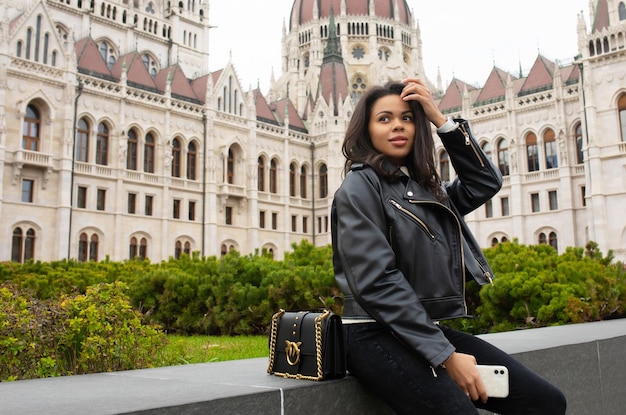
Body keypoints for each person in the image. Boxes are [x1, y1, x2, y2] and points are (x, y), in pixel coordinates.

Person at [330, 78, 567, 414]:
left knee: (545, 401)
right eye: (384, 118)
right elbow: (377, 282)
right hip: (374, 336)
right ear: (366, 130)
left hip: (422, 331)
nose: (398, 125)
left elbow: (484, 182)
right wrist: (445, 355)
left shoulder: (423, 189)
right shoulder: (358, 188)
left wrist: (441, 120)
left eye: (408, 118)